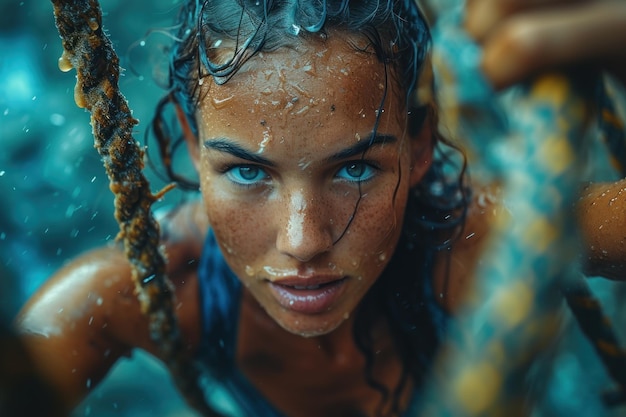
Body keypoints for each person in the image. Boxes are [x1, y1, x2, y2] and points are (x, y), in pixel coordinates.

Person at [14, 0, 626, 416]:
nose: (304, 241)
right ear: (194, 146)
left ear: (418, 145)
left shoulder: (477, 242)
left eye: (354, 168)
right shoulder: (153, 293)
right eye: (248, 172)